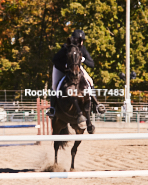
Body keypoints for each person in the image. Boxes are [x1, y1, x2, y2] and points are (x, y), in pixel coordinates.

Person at [48, 29, 99, 118]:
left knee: (90, 81)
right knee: (55, 86)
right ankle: (52, 108)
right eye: (78, 40)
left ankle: (96, 104)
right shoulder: (65, 48)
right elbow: (54, 60)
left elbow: (92, 64)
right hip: (60, 68)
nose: (81, 42)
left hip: (76, 68)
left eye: (82, 40)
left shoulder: (82, 49)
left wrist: (83, 60)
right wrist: (65, 66)